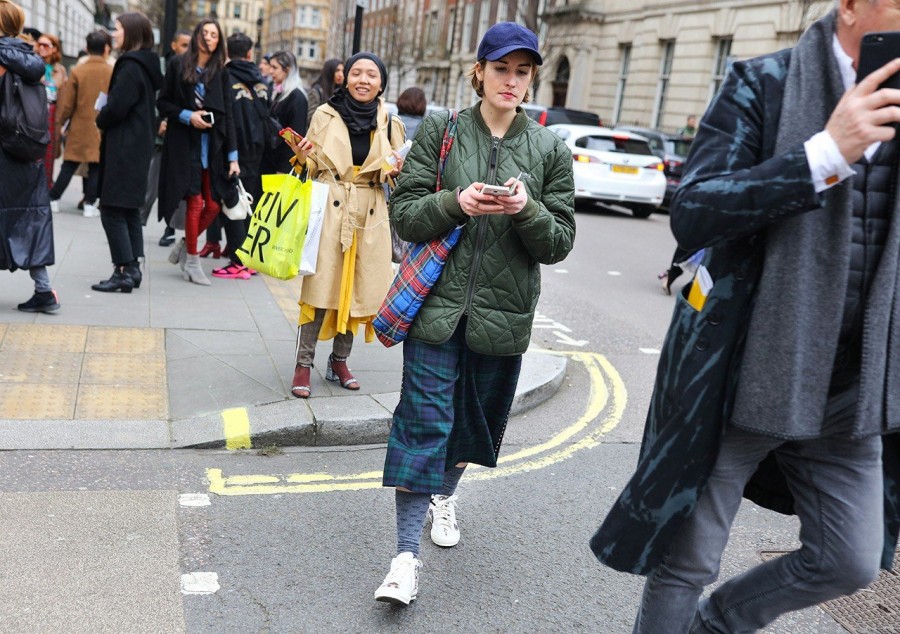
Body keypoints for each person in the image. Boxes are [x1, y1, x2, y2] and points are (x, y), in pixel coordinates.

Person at [593, 2, 900, 632]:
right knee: (687, 561)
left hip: (850, 389)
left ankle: (721, 622)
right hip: (744, 372)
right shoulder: (763, 83)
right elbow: (695, 210)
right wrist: (824, 154)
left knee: (851, 560)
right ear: (850, 6)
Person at [370, 22, 576, 605]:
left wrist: (526, 209)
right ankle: (404, 561)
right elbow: (405, 215)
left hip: (502, 318)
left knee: (470, 432)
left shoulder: (549, 149)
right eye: (501, 69)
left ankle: (447, 491)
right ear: (479, 71)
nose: (511, 81)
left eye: (522, 72)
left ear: (531, 79)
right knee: (421, 428)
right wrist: (455, 203)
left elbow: (558, 242)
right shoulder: (441, 129)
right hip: (436, 312)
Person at [283, 52, 406, 399]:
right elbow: (307, 169)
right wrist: (302, 154)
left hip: (370, 214)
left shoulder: (389, 122)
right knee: (319, 289)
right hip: (330, 209)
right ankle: (303, 364)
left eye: (371, 74)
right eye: (356, 73)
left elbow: (400, 175)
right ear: (345, 78)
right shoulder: (324, 114)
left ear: (381, 82)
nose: (363, 80)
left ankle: (340, 361)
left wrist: (396, 172)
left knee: (358, 290)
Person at [157, 18, 239, 286]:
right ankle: (193, 262)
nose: (209, 38)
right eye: (204, 32)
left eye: (214, 34)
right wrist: (187, 115)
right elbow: (163, 102)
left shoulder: (221, 72)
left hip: (212, 148)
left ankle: (185, 245)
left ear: (219, 41)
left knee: (214, 204)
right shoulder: (178, 64)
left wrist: (233, 157)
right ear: (196, 36)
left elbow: (228, 116)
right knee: (195, 203)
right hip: (185, 145)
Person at [91, 12, 163, 293]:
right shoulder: (145, 64)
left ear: (131, 32)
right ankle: (132, 268)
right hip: (138, 145)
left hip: (124, 147)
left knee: (111, 209)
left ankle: (122, 270)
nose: (114, 33)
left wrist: (101, 117)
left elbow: (118, 107)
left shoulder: (130, 67)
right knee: (130, 208)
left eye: (118, 29)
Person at [0, 0, 59, 313]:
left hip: (3, 148)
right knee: (30, 217)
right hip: (27, 150)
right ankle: (44, 291)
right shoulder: (30, 57)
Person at [210, 32, 268, 280]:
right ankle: (249, 259)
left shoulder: (225, 77)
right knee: (250, 204)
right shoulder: (260, 81)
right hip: (259, 149)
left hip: (234, 149)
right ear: (249, 53)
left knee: (233, 203)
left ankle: (238, 261)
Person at [49, 30, 112, 218]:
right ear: (105, 49)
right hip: (101, 125)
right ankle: (90, 204)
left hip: (79, 124)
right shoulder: (111, 71)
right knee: (95, 166)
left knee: (69, 164)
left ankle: (53, 198)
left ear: (87, 48)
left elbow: (68, 104)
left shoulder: (77, 70)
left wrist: (62, 122)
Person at [150, 28, 192, 248]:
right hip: (157, 138)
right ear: (174, 45)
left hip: (177, 136)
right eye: (184, 45)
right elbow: (156, 98)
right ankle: (138, 221)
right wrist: (159, 122)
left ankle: (170, 228)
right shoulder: (161, 66)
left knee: (176, 185)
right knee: (151, 183)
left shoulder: (190, 68)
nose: (187, 50)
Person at [263, 50, 307, 174]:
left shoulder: (297, 97)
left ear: (287, 70)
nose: (270, 71)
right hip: (270, 163)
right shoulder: (276, 91)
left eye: (274, 67)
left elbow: (295, 138)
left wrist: (284, 169)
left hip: (282, 168)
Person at [36, 31, 65, 189]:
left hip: (52, 115)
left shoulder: (60, 70)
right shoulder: (31, 64)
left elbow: (63, 97)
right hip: (35, 113)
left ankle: (46, 186)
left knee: (49, 153)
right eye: (39, 44)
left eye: (46, 45)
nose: (41, 48)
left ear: (54, 48)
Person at [304, 57, 342, 129]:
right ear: (329, 71)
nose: (341, 74)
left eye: (343, 71)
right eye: (337, 70)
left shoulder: (341, 92)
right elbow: (311, 119)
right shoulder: (317, 91)